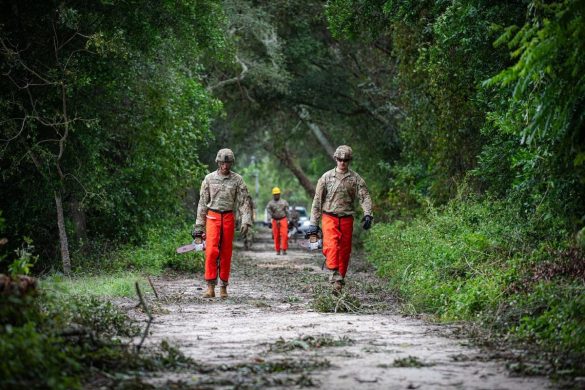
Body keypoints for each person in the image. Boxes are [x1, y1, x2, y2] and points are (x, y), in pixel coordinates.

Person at [307, 145, 373, 294]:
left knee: (344, 252)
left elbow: (364, 196)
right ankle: (335, 277)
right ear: (335, 159)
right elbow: (317, 201)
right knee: (330, 248)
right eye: (340, 159)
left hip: (347, 219)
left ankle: (339, 283)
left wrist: (368, 214)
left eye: (346, 160)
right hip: (329, 217)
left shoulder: (355, 178)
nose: (342, 162)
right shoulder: (326, 177)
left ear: (349, 161)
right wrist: (313, 224)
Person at [193, 148, 252, 299]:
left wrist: (246, 220)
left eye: (228, 163)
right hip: (212, 217)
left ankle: (223, 287)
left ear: (232, 163)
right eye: (223, 163)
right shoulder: (209, 179)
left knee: (226, 253)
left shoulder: (237, 180)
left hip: (228, 217)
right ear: (218, 162)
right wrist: (199, 226)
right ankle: (210, 286)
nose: (225, 166)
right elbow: (202, 203)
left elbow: (244, 201)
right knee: (212, 251)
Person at [266, 187, 290, 255]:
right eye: (275, 194)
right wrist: (268, 221)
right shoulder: (270, 204)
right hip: (275, 220)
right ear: (273, 195)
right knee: (276, 236)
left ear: (279, 194)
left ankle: (284, 249)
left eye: (277, 194)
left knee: (284, 235)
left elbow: (288, 212)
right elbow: (268, 212)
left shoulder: (284, 202)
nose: (276, 195)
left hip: (283, 219)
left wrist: (290, 221)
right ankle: (277, 250)